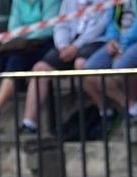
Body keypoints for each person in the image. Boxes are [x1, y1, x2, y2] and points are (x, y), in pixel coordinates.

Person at [19, 0, 109, 135]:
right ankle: (29, 123)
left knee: (81, 65)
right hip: (68, 43)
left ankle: (106, 112)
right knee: (40, 68)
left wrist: (77, 46)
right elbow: (61, 23)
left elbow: (102, 26)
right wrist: (63, 45)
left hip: (95, 41)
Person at [81, 0, 137, 121]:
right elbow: (112, 21)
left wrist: (123, 46)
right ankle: (132, 108)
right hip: (119, 40)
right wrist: (111, 39)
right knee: (86, 71)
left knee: (120, 66)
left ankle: (136, 105)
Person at [0, 0, 61, 115]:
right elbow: (13, 28)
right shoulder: (18, 1)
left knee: (16, 60)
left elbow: (48, 29)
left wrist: (25, 37)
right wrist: (22, 39)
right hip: (21, 44)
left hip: (43, 43)